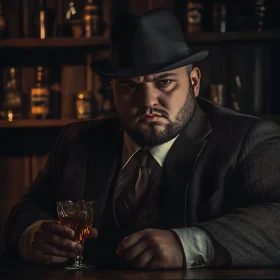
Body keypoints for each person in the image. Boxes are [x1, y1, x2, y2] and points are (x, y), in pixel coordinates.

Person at [4, 8, 280, 270]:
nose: (148, 101)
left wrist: (188, 245)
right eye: (129, 86)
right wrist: (32, 235)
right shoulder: (77, 142)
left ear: (194, 83)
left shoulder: (246, 139)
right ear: (112, 90)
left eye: (165, 82)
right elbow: (26, 212)